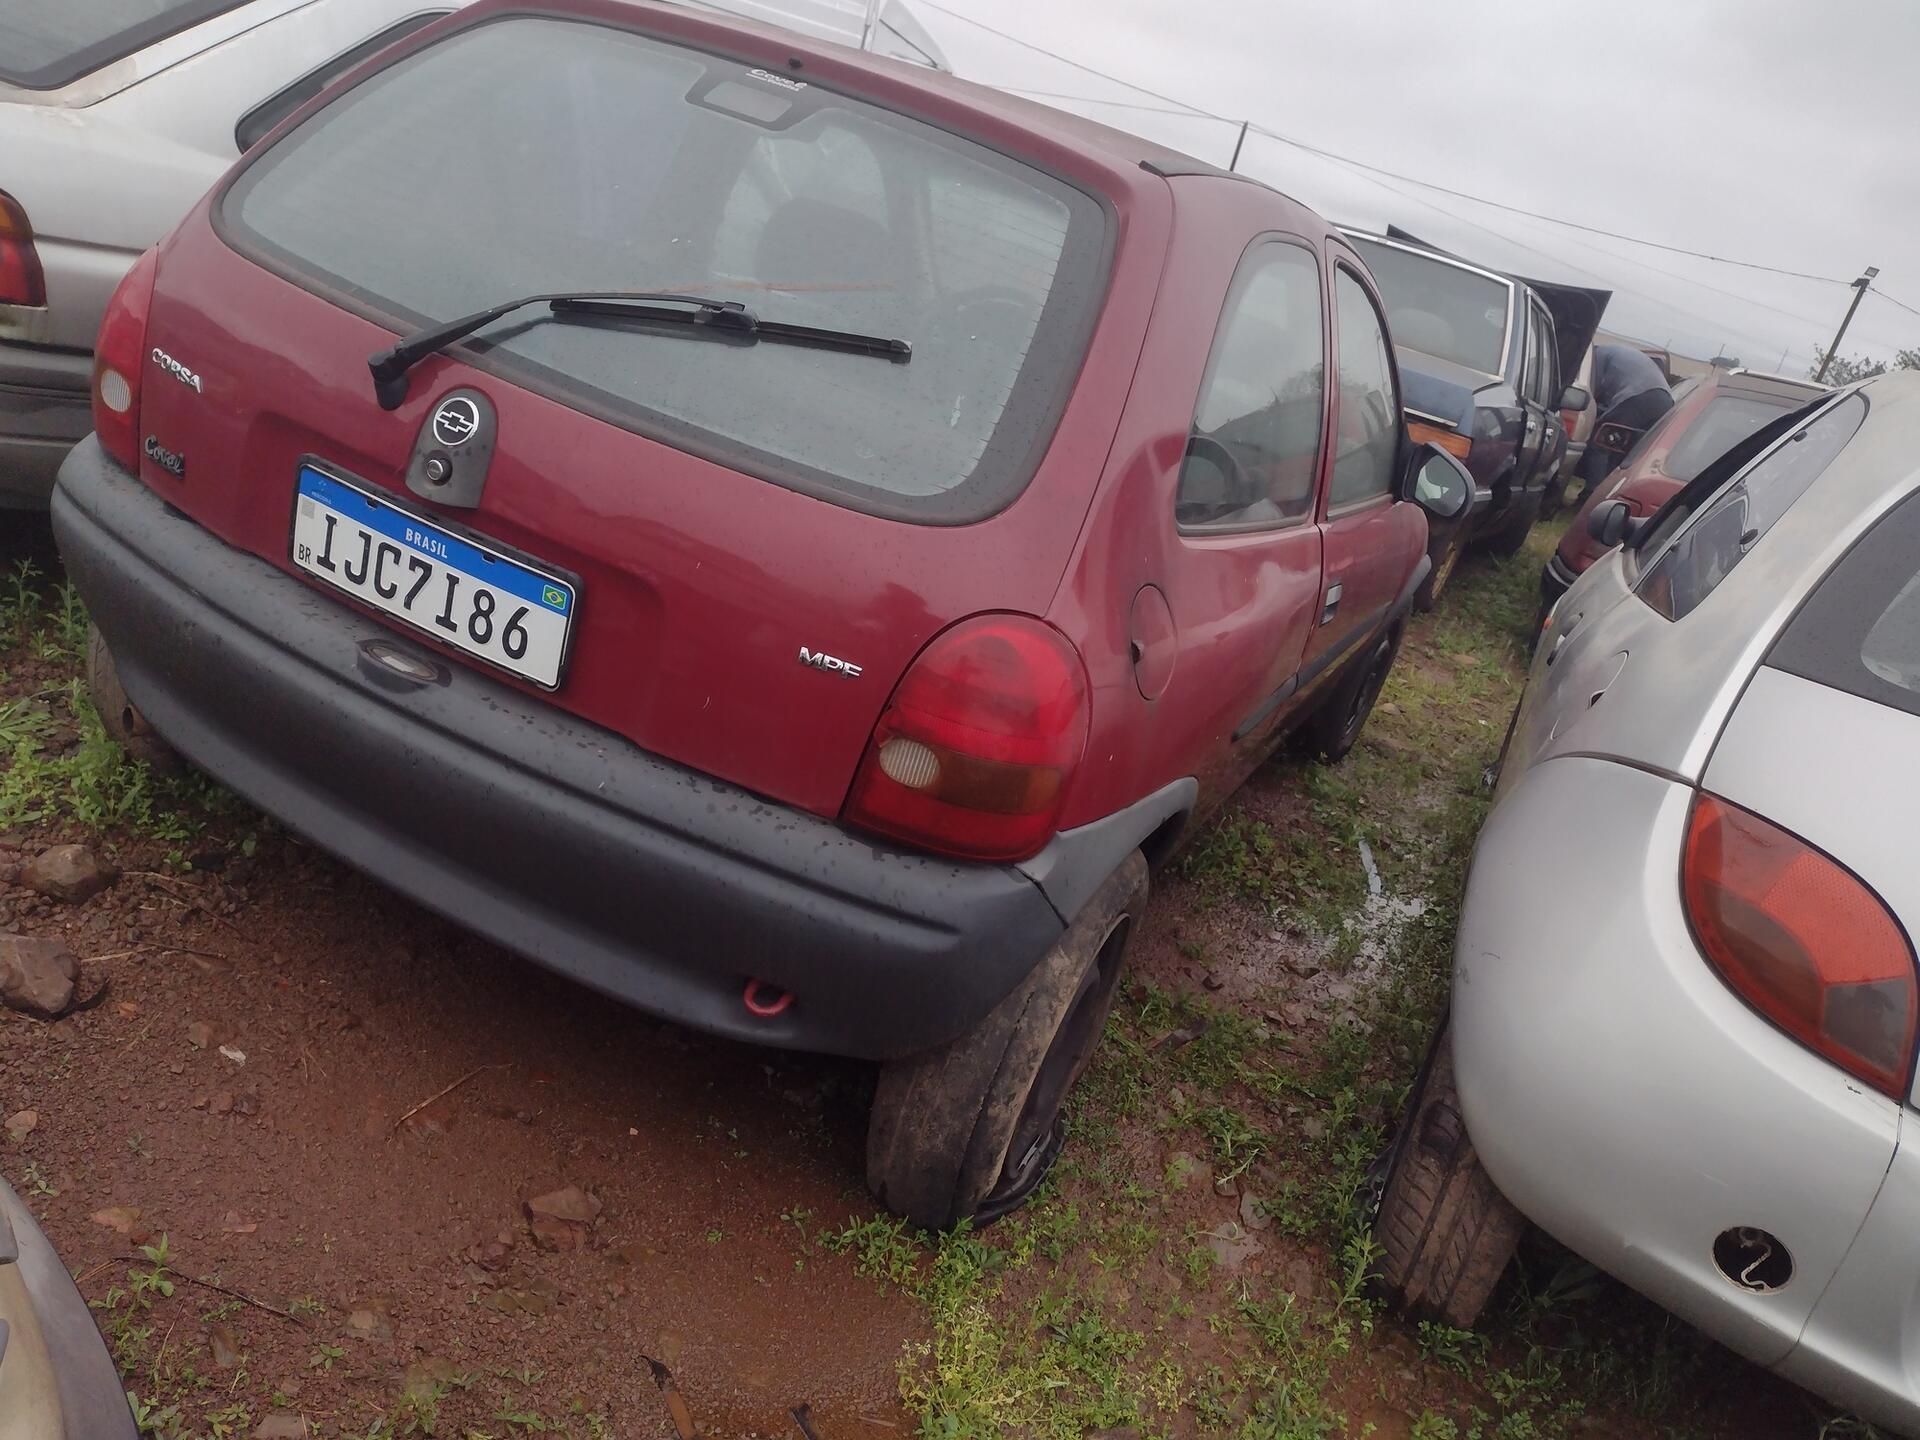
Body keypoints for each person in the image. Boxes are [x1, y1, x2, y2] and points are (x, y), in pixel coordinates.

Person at [1576, 343, 1674, 501]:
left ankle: (1591, 497)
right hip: (1665, 401)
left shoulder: (1594, 357)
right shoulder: (1614, 352)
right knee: (1626, 452)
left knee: (1601, 441)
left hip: (1638, 395)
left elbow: (1589, 392)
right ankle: (1614, 495)